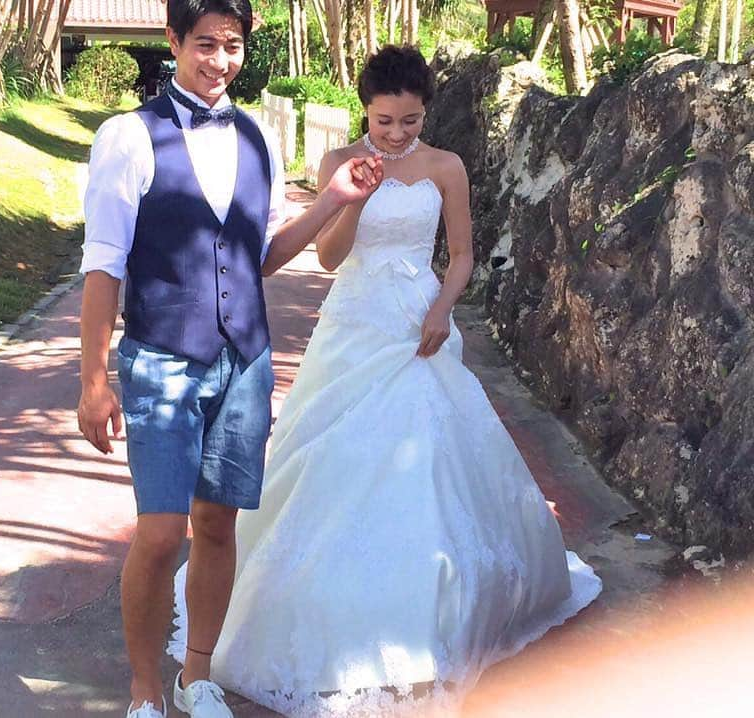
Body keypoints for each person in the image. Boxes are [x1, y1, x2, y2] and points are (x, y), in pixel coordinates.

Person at [168, 45, 602, 717]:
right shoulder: (340, 162)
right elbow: (330, 256)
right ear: (364, 110)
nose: (398, 134)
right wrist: (351, 200)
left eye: (410, 120)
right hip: (355, 321)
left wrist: (440, 309)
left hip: (417, 322)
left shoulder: (446, 166)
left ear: (425, 112)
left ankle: (425, 616)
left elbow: (459, 255)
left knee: (427, 455)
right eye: (384, 120)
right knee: (328, 453)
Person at [76, 2, 383, 717]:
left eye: (234, 45)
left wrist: (333, 199)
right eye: (206, 44)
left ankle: (196, 676)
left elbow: (261, 255)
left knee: (218, 524)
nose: (219, 60)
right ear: (174, 41)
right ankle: (144, 691)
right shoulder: (128, 137)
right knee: (158, 533)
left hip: (244, 360)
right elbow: (103, 266)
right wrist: (93, 381)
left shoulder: (257, 138)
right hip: (161, 359)